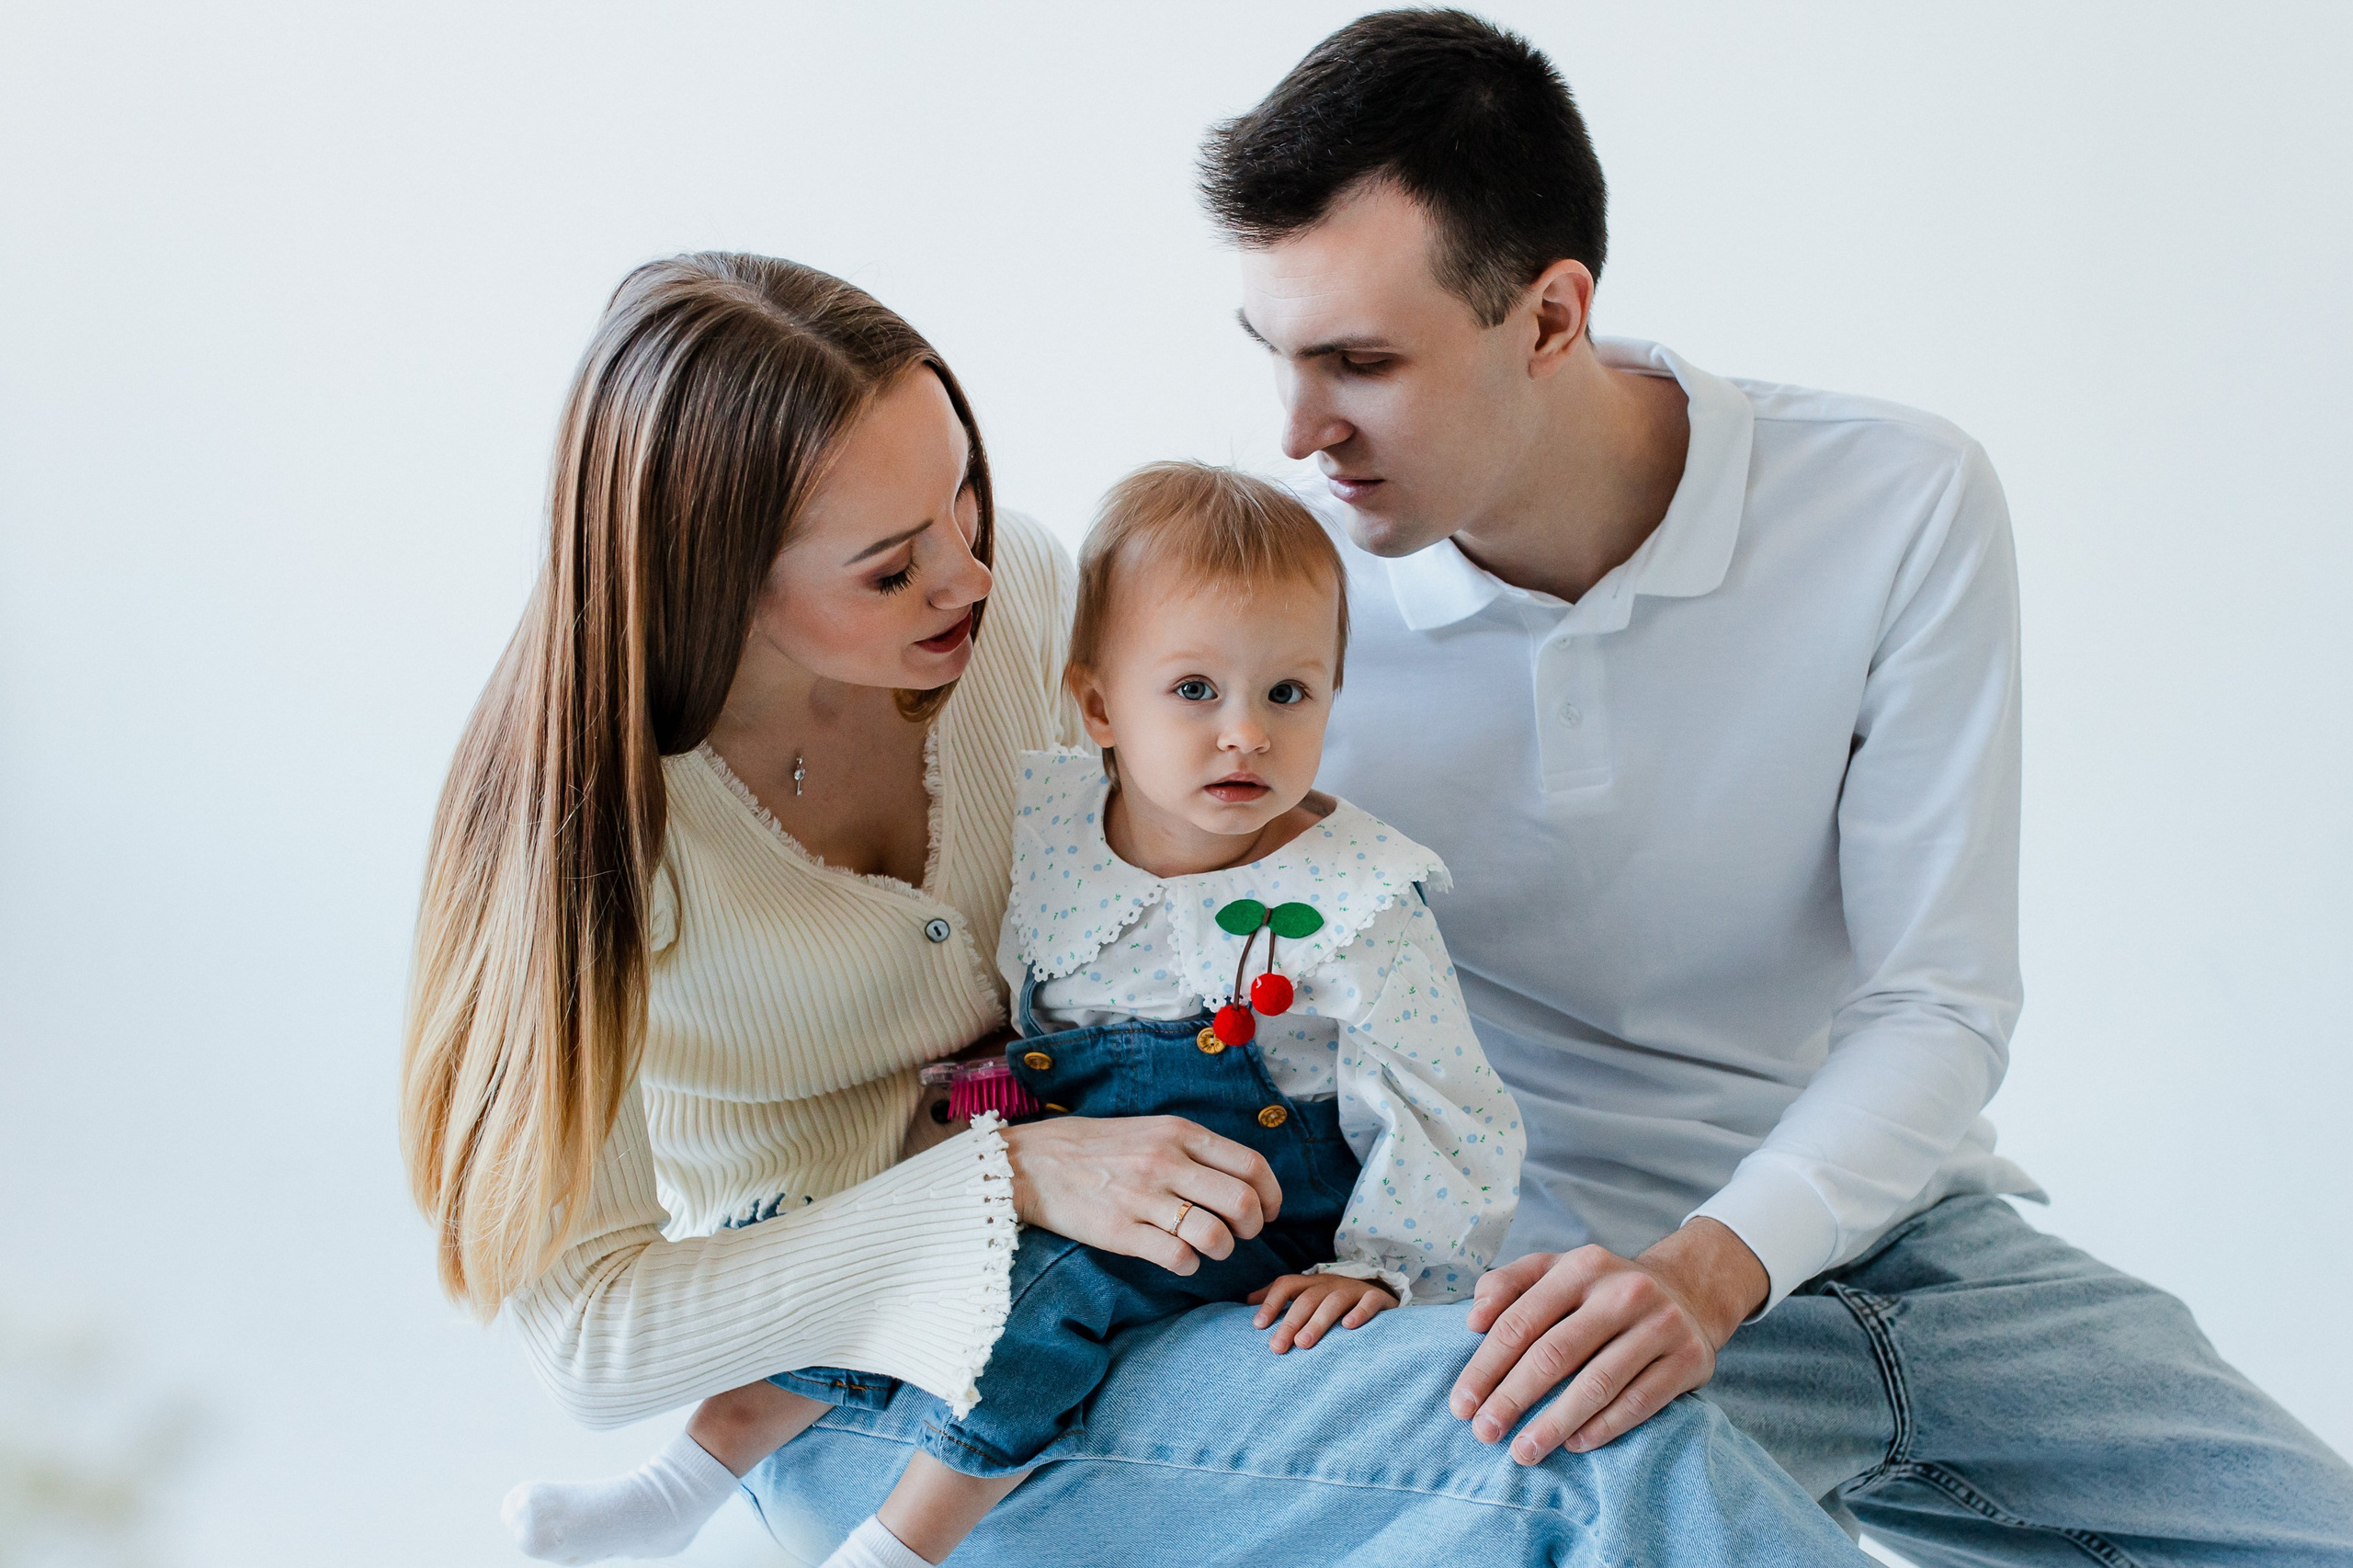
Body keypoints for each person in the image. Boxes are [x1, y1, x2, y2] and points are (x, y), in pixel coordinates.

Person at [401, 252, 1875, 1567]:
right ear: (710, 582)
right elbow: (588, 1338)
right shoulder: (575, 834)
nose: (970, 573)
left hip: (1170, 1275)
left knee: (1610, 1418)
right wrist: (1010, 1183)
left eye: (962, 493)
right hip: (878, 1398)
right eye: (891, 563)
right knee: (1598, 1457)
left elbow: (1184, 862)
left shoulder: (1017, 597)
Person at [1199, 9, 2353, 1562]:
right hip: (1541, 1304)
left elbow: (1939, 1002)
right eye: (1272, 355)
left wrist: (1719, 1263)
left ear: (1551, 319)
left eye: (1362, 364)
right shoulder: (1258, 615)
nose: (1297, 431)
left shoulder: (1895, 503)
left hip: (1900, 1240)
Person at [502, 460, 1524, 1566]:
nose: (1245, 735)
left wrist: (1376, 1265)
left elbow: (1446, 1104)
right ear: (1097, 706)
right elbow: (1028, 1024)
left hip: (1240, 1196)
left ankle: (902, 1542)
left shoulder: (1352, 894)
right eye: (1193, 691)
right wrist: (974, 1109)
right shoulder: (1057, 826)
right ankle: (680, 1482)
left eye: (1289, 693)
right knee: (877, 1247)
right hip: (1061, 1146)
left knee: (1035, 1294)